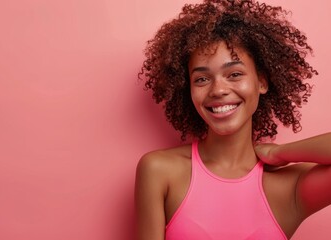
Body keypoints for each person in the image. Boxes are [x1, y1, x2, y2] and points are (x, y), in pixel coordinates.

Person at [135, 0, 331, 239]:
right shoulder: (159, 170)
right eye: (202, 79)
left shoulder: (289, 188)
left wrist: (281, 153)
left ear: (262, 82)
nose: (218, 89)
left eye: (235, 74)